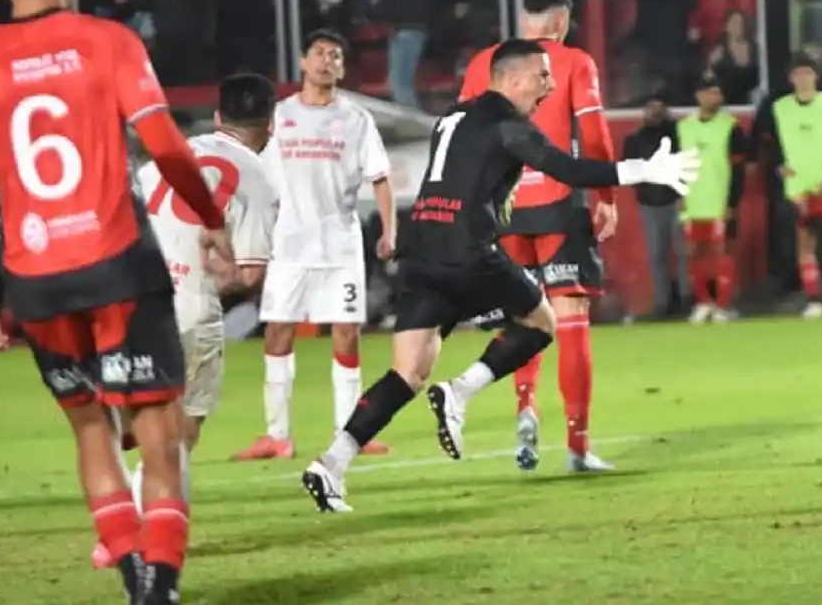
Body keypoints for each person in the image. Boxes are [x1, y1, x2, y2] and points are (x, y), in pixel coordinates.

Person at [0, 0, 234, 605]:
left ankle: (129, 575)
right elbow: (167, 145)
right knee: (158, 429)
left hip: (35, 280)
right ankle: (161, 588)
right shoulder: (107, 42)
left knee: (90, 424)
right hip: (119, 264)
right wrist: (210, 220)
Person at [300, 39, 701, 512]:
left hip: (421, 251)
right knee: (541, 323)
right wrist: (641, 170)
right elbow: (566, 169)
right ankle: (460, 391)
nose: (549, 86)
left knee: (407, 373)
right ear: (512, 80)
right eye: (542, 76)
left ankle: (330, 464)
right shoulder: (508, 124)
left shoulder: (452, 118)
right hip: (468, 252)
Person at [90, 74, 278, 569]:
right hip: (191, 306)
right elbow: (250, 274)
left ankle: (120, 528)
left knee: (138, 424)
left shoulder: (165, 158)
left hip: (133, 303)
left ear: (218, 117)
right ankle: (142, 534)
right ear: (271, 124)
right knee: (180, 435)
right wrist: (219, 276)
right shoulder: (256, 177)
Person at [459, 0, 618, 473]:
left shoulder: (485, 64)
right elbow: (592, 132)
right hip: (556, 202)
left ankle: (525, 408)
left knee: (524, 318)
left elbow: (463, 134)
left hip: (502, 208)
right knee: (570, 321)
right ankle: (577, 446)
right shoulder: (573, 62)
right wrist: (606, 197)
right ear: (561, 19)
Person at [233, 29, 397, 462]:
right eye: (320, 53)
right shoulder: (279, 116)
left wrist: (390, 230)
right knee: (277, 331)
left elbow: (380, 176)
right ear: (304, 63)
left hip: (340, 245)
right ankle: (277, 436)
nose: (327, 60)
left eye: (336, 55)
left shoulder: (356, 119)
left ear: (342, 68)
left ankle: (350, 434)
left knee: (346, 334)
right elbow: (257, 177)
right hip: (289, 244)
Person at [765, 56, 822, 319]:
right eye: (797, 74)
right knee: (805, 244)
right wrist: (779, 165)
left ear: (816, 76)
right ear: (791, 79)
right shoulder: (780, 108)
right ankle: (814, 299)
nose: (803, 79)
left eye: (807, 73)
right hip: (798, 188)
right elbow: (770, 144)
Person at [677, 74, 747, 324]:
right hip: (693, 201)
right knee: (694, 253)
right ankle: (703, 302)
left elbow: (739, 169)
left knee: (722, 253)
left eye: (717, 93)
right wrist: (679, 195)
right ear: (698, 96)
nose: (713, 97)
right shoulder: (684, 127)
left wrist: (732, 202)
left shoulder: (731, 126)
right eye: (708, 92)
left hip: (719, 201)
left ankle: (722, 304)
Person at [622, 86, 690, 318]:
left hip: (675, 200)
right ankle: (663, 304)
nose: (654, 111)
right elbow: (629, 170)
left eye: (658, 106)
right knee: (657, 256)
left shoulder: (678, 135)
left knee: (682, 254)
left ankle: (685, 299)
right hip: (649, 203)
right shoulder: (635, 140)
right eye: (650, 107)